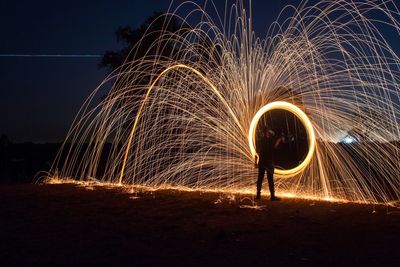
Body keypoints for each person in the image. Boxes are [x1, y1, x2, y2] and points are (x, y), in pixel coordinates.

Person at [255, 129, 283, 201]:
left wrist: (255, 162)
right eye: (268, 132)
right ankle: (272, 196)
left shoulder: (260, 141)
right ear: (267, 133)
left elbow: (256, 152)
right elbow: (275, 147)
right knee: (270, 179)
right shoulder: (269, 141)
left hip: (262, 162)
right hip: (268, 162)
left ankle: (258, 195)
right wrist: (279, 139)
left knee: (260, 179)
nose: (269, 134)